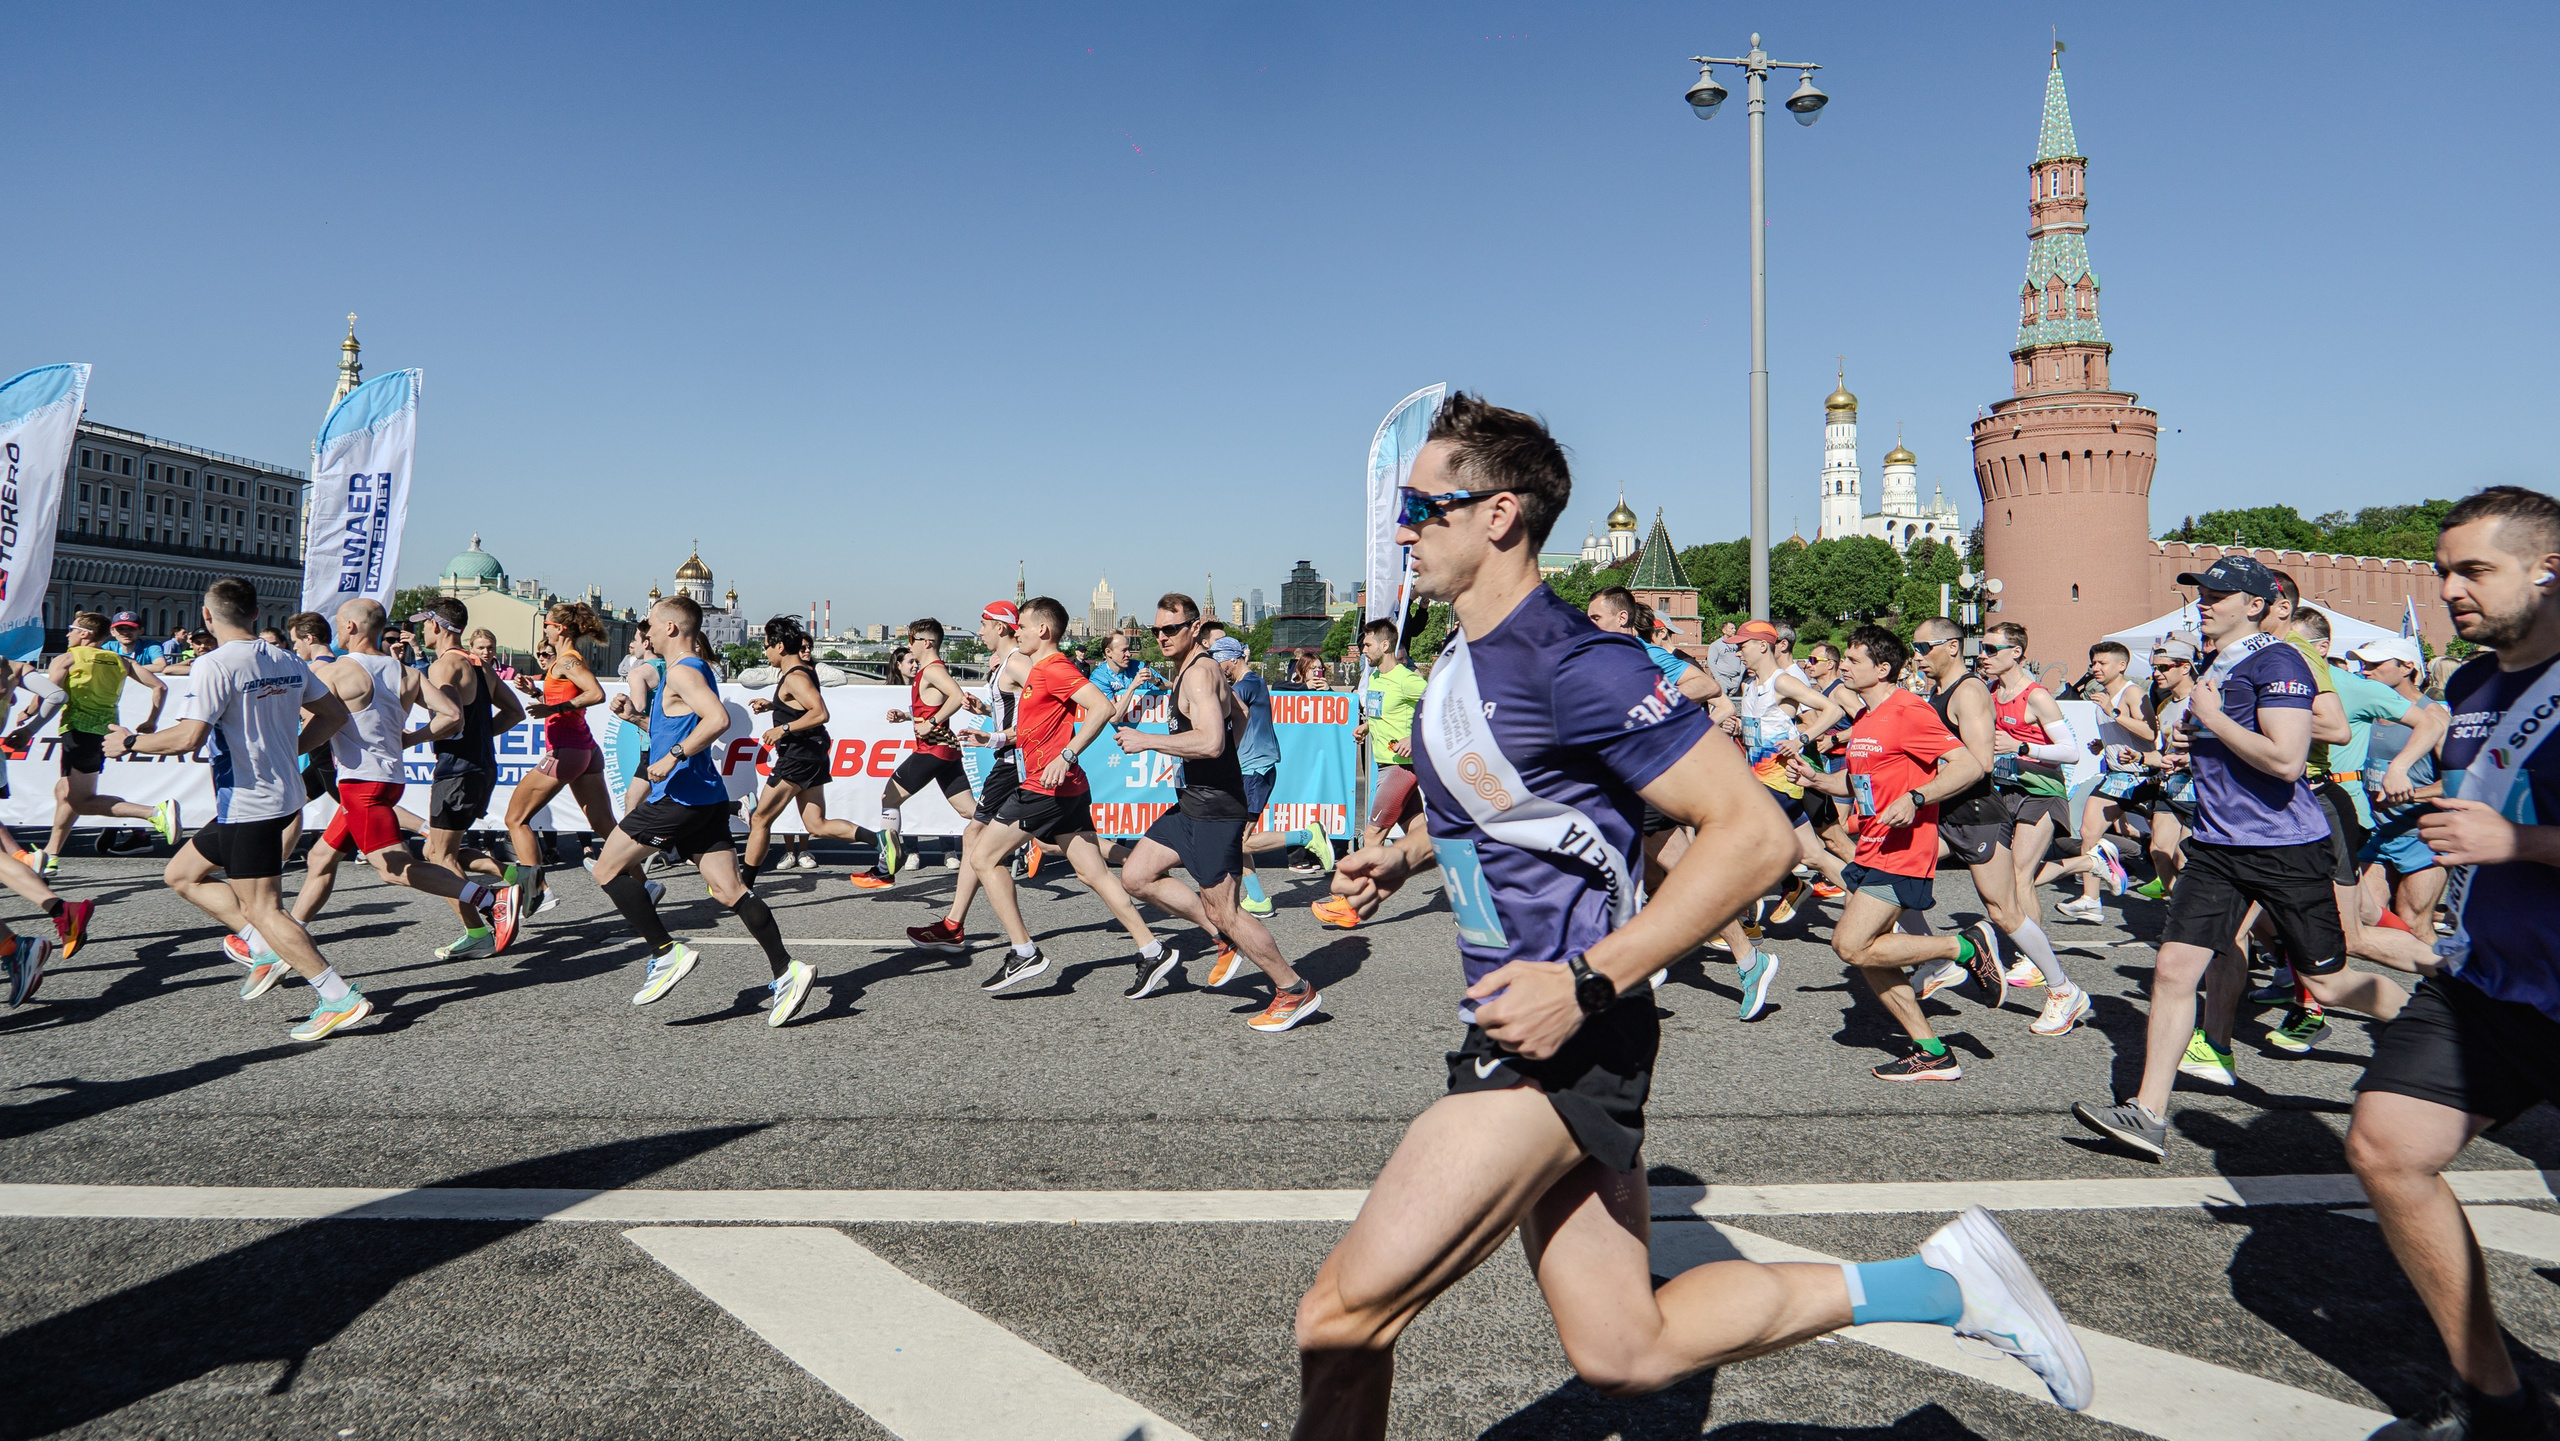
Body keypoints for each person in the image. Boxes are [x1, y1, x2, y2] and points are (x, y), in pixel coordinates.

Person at [1292, 395, 2089, 1438]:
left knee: (1341, 1316)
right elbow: (1525, 812)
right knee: (1626, 1348)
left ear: (1497, 515)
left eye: (1422, 505)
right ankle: (1946, 1284)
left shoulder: (1577, 661)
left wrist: (1585, 981)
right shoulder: (1465, 656)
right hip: (1522, 1012)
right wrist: (1398, 856)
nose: (1402, 527)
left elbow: (1751, 836)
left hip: (1564, 1032)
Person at [2340, 487, 2560, 1441]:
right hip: (2490, 984)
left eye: (2475, 570)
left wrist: (2518, 844)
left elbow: (2506, 838)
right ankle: (2502, 1402)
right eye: (2442, 572)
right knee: (2387, 1147)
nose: (2450, 589)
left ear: (2549, 574)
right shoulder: (2470, 687)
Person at [2073, 555, 2345, 1158]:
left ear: (2255, 604)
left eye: (2219, 594)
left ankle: (2447, 1017)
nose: (2205, 601)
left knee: (2333, 979)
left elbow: (2286, 760)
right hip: (2220, 846)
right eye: (2202, 590)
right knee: (2172, 972)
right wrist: (2185, 750)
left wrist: (2214, 719)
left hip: (2282, 846)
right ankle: (2146, 1114)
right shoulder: (2217, 660)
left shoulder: (2280, 659)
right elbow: (2224, 746)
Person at [113, 578, 366, 1040]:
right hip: (267, 796)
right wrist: (292, 752)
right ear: (255, 614)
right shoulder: (286, 658)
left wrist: (130, 741)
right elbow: (334, 716)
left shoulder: (214, 664)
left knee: (265, 909)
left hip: (250, 801)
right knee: (182, 875)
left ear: (208, 617)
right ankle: (261, 947)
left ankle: (336, 996)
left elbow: (188, 736)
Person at [262, 600, 523, 990]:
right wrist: (410, 739)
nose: (336, 628)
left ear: (350, 626)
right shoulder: (403, 671)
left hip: (361, 785)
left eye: (337, 623)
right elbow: (453, 716)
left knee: (392, 867)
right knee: (321, 855)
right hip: (387, 778)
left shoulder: (336, 671)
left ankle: (490, 901)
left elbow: (320, 720)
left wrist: (290, 747)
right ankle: (287, 942)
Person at [590, 594, 813, 1026]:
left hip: (677, 797)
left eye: (651, 624)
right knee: (730, 890)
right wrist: (636, 718)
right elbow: (685, 722)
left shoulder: (680, 671)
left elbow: (716, 721)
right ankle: (788, 970)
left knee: (606, 870)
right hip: (704, 798)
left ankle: (664, 952)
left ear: (671, 628)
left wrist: (672, 756)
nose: (647, 631)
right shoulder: (694, 670)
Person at [1787, 626, 1999, 1079]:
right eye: (1843, 659)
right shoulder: (1865, 718)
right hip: (1871, 845)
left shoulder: (1909, 710)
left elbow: (1969, 765)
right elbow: (1861, 782)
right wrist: (1816, 779)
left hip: (1902, 848)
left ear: (1883, 669)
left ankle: (1963, 946)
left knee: (1849, 944)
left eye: (1853, 660)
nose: (1843, 665)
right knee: (1867, 955)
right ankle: (1932, 1051)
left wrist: (1919, 798)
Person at [1117, 597, 1321, 1029]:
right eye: (1156, 631)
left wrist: (1147, 741)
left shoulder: (1200, 674)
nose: (1161, 637)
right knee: (1137, 876)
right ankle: (1221, 940)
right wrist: (1235, 761)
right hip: (1194, 801)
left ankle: (1293, 989)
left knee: (1225, 909)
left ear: (1194, 629)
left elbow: (1210, 742)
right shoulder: (1196, 670)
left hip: (1214, 809)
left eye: (1170, 629)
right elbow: (1241, 714)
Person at [962, 596, 1169, 994]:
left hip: (1046, 786)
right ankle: (1152, 948)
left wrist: (1068, 754)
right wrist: (992, 737)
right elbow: (1035, 730)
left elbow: (1103, 706)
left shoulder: (1054, 667)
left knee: (983, 857)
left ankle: (1024, 952)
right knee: (1093, 873)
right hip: (1066, 786)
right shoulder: (1038, 670)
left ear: (1042, 630)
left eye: (1021, 626)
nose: (1015, 632)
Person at [1905, 617, 2091, 1038]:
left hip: (1994, 807)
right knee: (1889, 875)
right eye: (1913, 648)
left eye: (1923, 647)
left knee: (2008, 903)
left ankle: (2063, 989)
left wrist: (2022, 746)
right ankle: (1938, 960)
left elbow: (1984, 762)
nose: (1916, 657)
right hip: (1961, 807)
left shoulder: (1985, 692)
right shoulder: (1961, 691)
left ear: (1951, 647)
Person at [6, 611, 181, 875]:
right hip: (103, 732)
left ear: (84, 634)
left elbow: (48, 694)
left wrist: (29, 719)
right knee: (63, 792)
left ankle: (153, 813)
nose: (67, 634)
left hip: (77, 733)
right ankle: (51, 856)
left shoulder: (67, 658)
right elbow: (160, 687)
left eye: (71, 630)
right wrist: (151, 721)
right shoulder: (120, 660)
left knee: (80, 800)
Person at [1974, 622, 2089, 1017]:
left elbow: (2071, 751)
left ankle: (2037, 964)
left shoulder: (2035, 696)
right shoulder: (1990, 692)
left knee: (2022, 875)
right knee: (2007, 877)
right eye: (1982, 648)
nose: (1984, 656)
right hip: (2004, 791)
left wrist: (2022, 745)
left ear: (2016, 652)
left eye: (1991, 649)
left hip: (2041, 792)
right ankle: (2089, 862)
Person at [908, 604, 1037, 951]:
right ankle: (954, 924)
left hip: (1014, 762)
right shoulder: (1006, 665)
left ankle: (969, 930)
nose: (979, 632)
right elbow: (1021, 711)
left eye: (983, 625)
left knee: (976, 838)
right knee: (1075, 848)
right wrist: (988, 713)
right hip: (1011, 759)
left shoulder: (1018, 662)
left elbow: (1042, 711)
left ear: (999, 626)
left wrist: (996, 737)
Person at [411, 599, 527, 957]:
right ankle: (516, 876)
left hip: (457, 771)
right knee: (443, 850)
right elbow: (514, 712)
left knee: (438, 856)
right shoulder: (479, 665)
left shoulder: (444, 666)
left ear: (438, 625)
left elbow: (450, 719)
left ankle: (482, 922)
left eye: (424, 623)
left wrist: (408, 739)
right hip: (479, 767)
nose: (421, 630)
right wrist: (480, 736)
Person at [503, 604, 622, 912]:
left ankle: (539, 891)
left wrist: (552, 710)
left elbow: (596, 694)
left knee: (515, 819)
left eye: (548, 624)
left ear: (561, 629)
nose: (545, 629)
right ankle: (642, 883)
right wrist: (537, 695)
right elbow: (565, 701)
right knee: (604, 824)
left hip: (567, 750)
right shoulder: (563, 662)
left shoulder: (567, 661)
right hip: (584, 749)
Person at [1311, 621, 1429, 931]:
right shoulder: (1376, 677)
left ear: (1385, 646)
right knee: (1427, 836)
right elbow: (1381, 713)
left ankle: (1348, 903)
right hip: (1386, 764)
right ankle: (1473, 887)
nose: (1363, 650)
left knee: (1372, 835)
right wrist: (1367, 727)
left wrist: (1414, 739)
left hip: (1401, 769)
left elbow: (1439, 706)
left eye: (1367, 645)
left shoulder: (1407, 680)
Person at [740, 614, 868, 886]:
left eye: (766, 646)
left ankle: (743, 887)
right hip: (811, 753)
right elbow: (800, 706)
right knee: (816, 825)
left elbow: (820, 712)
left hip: (798, 756)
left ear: (780, 647)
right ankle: (879, 839)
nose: (766, 652)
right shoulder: (801, 673)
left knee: (761, 818)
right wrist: (774, 706)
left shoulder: (795, 676)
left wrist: (782, 729)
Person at [854, 618, 972, 889]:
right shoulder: (928, 671)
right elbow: (932, 706)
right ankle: (1024, 836)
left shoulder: (932, 670)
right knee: (968, 810)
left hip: (933, 749)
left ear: (927, 643)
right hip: (946, 750)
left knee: (889, 796)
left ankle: (885, 868)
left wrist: (930, 723)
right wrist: (908, 716)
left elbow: (957, 696)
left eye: (912, 640)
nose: (909, 645)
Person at [2041, 641, 2154, 921]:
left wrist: (2113, 712)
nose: (2095, 668)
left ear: (2121, 666)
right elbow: (2122, 733)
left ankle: (2176, 895)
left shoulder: (2132, 693)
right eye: (2093, 663)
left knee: (2165, 846)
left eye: (2102, 663)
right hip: (2117, 776)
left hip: (2145, 776)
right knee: (2089, 830)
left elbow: (2150, 733)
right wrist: (2102, 744)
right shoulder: (2102, 696)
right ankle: (2090, 899)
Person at [2350, 635, 2450, 940]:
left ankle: (2448, 985)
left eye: (2376, 664)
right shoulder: (2370, 710)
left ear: (2407, 667)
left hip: (2422, 835)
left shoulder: (2434, 716)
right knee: (2364, 913)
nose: (2365, 671)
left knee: (2416, 924)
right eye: (2364, 664)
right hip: (2380, 832)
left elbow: (2460, 782)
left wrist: (2408, 795)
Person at [1216, 637, 1294, 917]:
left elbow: (1231, 706)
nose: (1218, 667)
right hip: (1248, 769)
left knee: (1239, 841)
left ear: (1234, 659)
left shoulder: (1246, 686)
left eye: (1220, 661)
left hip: (1255, 769)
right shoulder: (1254, 682)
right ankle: (1258, 899)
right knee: (1236, 838)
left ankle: (1307, 836)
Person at [1703, 618, 1746, 697]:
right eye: (1731, 628)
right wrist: (1718, 678)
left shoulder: (1738, 644)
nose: (1734, 630)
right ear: (1724, 631)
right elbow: (1711, 662)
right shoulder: (1716, 645)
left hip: (1736, 679)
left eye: (1734, 628)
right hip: (1723, 678)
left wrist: (1741, 675)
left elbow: (1743, 659)